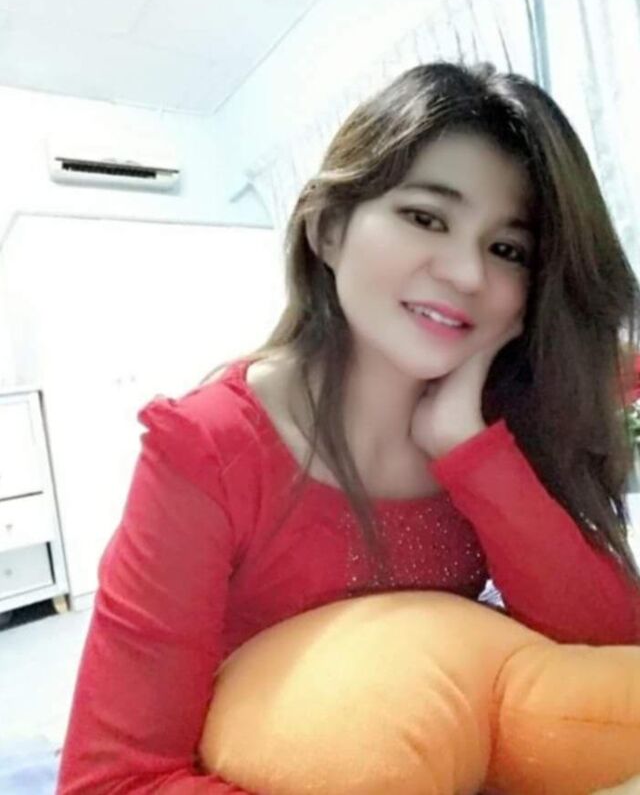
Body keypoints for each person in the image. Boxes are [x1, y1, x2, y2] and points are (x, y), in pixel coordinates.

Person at [57, 62, 640, 793]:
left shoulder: (497, 428)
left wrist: (466, 449)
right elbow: (109, 780)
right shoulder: (207, 449)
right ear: (329, 228)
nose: (466, 273)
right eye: (426, 217)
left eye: (507, 250)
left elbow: (609, 658)